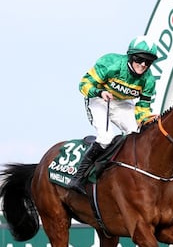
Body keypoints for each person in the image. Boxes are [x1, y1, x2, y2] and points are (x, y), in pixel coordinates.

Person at [67, 35, 160, 194]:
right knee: (106, 138)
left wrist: (146, 119)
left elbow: (143, 107)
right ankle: (78, 177)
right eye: (139, 59)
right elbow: (84, 84)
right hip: (99, 99)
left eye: (148, 61)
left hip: (122, 103)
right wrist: (100, 92)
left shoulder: (149, 80)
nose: (143, 65)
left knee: (136, 135)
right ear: (131, 56)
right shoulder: (111, 63)